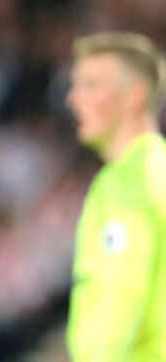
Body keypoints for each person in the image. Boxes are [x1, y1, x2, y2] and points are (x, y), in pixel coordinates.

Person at [65, 31, 166, 361]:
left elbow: (121, 295)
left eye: (91, 86)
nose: (73, 99)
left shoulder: (127, 182)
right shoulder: (157, 166)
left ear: (134, 97)